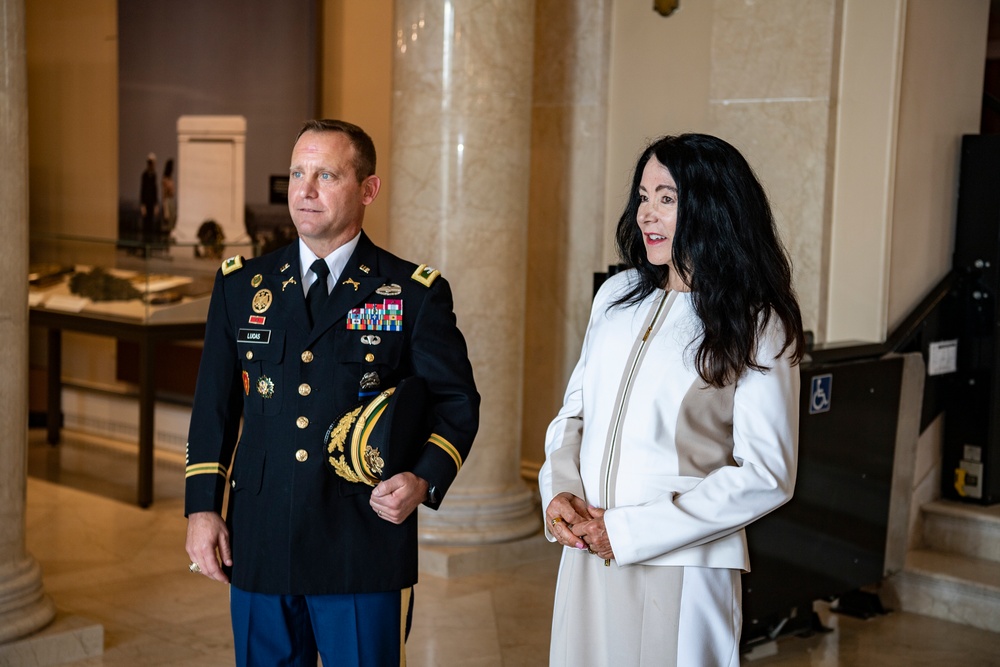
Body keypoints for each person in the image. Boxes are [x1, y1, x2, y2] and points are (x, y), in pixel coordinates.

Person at [184, 119, 480, 666]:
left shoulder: (411, 294)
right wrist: (202, 509)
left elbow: (457, 404)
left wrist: (422, 479)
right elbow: (213, 409)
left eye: (326, 175)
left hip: (361, 541)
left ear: (368, 189)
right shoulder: (240, 287)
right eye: (298, 173)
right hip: (262, 535)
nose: (306, 189)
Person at [539, 133, 804, 666]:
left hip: (683, 564)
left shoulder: (756, 323)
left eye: (667, 198)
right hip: (588, 549)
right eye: (642, 196)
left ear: (711, 207)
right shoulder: (615, 298)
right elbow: (575, 414)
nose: (646, 214)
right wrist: (560, 491)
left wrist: (631, 532)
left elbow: (768, 473)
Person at [139, 153, 158, 244]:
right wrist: (142, 205)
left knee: (151, 226)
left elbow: (155, 191)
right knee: (146, 225)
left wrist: (156, 205)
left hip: (151, 204)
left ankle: (149, 246)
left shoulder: (154, 175)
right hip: (146, 204)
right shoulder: (144, 175)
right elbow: (142, 190)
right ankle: (145, 246)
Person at [161, 158, 177, 238]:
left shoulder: (170, 178)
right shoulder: (165, 179)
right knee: (167, 224)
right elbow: (164, 195)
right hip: (167, 202)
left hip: (171, 201)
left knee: (172, 223)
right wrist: (165, 209)